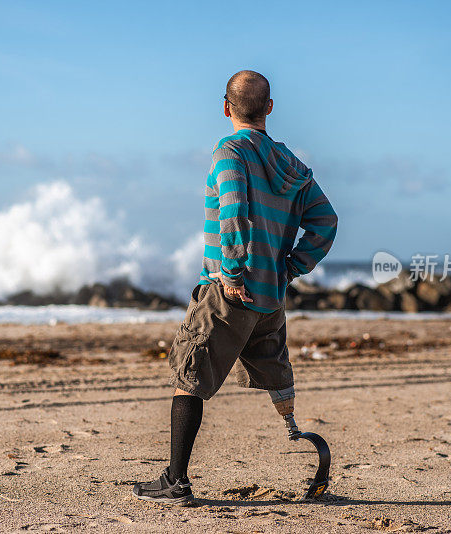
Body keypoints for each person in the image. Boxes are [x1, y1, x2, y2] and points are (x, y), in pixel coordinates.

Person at [133, 70, 338, 505]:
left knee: (188, 377)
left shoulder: (229, 152)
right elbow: (326, 222)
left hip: (229, 292)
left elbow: (234, 212)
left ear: (226, 108)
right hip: (270, 298)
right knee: (273, 380)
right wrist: (291, 267)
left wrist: (231, 272)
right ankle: (296, 434)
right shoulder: (292, 164)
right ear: (268, 108)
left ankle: (176, 481)